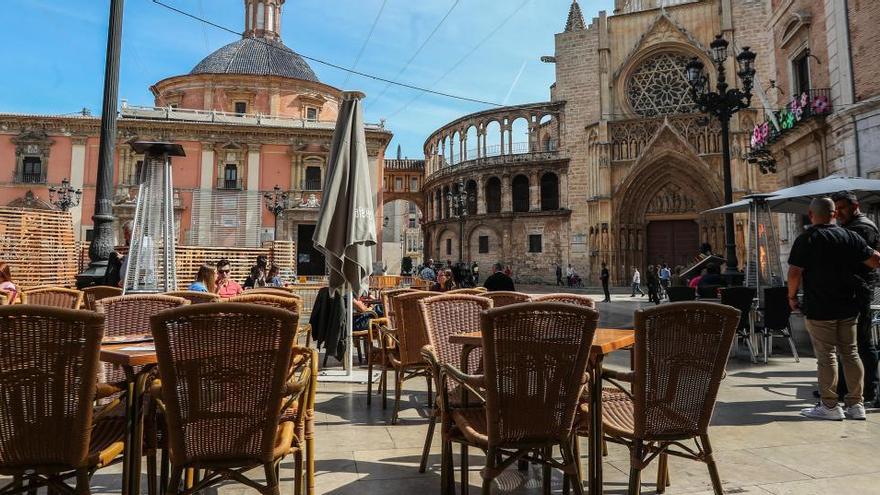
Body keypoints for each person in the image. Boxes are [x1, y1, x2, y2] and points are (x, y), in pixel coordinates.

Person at [788, 197, 880, 421]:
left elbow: (794, 272)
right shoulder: (850, 236)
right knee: (851, 352)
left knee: (826, 355)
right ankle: (856, 404)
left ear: (811, 215)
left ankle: (829, 406)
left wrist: (791, 297)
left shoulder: (807, 238)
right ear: (834, 214)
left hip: (820, 305)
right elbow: (875, 260)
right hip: (849, 304)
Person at [833, 191, 880, 405]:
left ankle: (868, 389)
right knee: (846, 344)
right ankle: (843, 388)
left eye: (842, 208)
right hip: (847, 292)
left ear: (855, 206)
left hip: (859, 292)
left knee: (861, 342)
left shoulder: (863, 228)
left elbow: (864, 260)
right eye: (836, 209)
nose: (838, 213)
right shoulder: (850, 227)